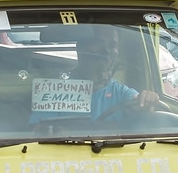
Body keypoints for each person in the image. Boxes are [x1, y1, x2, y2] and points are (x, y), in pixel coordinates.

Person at [31, 25, 159, 126]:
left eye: (112, 45)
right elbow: (37, 131)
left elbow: (139, 102)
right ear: (81, 48)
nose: (106, 51)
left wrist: (147, 100)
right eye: (99, 43)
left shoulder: (121, 93)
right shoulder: (55, 92)